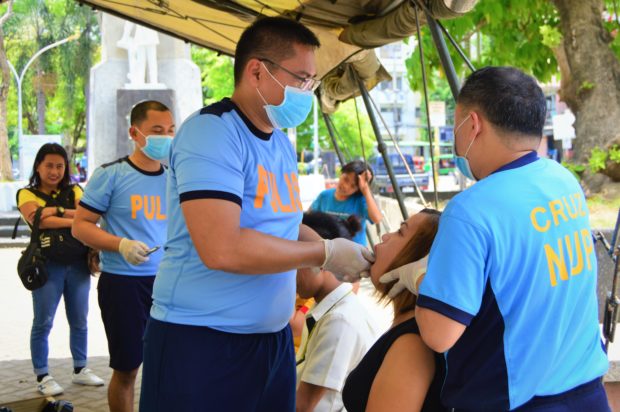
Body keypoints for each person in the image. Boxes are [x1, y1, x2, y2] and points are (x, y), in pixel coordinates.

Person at [139, 17, 373, 412]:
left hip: (271, 340)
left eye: (313, 81)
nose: (308, 92)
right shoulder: (211, 133)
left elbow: (284, 224)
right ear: (257, 71)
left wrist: (339, 251)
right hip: (202, 340)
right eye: (301, 78)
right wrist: (324, 255)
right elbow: (222, 248)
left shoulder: (279, 144)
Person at [387, 67, 610, 411]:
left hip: (516, 402)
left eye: (456, 124)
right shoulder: (562, 181)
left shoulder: (470, 210)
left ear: (472, 124)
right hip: (586, 395)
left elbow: (439, 333)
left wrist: (422, 278)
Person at [72, 100, 174, 412]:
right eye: (157, 131)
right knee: (127, 368)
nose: (165, 138)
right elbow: (80, 226)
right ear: (134, 132)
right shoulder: (111, 175)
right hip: (124, 285)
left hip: (169, 284)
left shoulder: (175, 177)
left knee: (168, 367)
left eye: (170, 131)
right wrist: (121, 245)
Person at [17, 143, 104, 396]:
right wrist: (72, 216)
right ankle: (43, 375)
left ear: (65, 168)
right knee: (43, 322)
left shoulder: (75, 189)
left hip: (77, 264)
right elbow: (37, 220)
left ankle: (80, 369)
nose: (54, 171)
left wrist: (54, 212)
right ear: (38, 166)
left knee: (80, 321)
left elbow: (90, 217)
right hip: (46, 266)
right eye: (49, 166)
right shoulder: (26, 193)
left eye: (59, 166)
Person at [342, 209, 446, 412]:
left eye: (400, 232)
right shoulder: (408, 327)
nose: (385, 236)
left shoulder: (412, 343)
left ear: (418, 259)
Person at [296, 211, 380, 412]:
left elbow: (303, 406)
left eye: (295, 261)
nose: (287, 273)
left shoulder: (339, 321)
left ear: (323, 260)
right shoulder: (329, 308)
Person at [310, 160, 382, 246]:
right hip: (330, 251)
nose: (346, 186)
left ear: (357, 190)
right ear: (341, 173)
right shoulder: (324, 196)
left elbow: (377, 218)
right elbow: (309, 218)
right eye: (346, 179)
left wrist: (365, 189)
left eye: (353, 186)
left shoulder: (360, 200)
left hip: (356, 253)